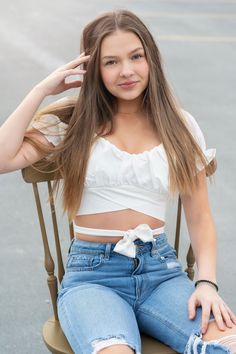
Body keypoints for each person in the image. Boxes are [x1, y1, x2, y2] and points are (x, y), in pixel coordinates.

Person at [0, 9, 236, 354]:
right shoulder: (74, 123)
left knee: (229, 344)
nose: (126, 71)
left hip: (162, 273)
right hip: (94, 279)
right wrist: (42, 89)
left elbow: (199, 216)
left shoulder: (179, 126)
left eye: (136, 57)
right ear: (92, 69)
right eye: (110, 62)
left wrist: (206, 282)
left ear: (150, 59)